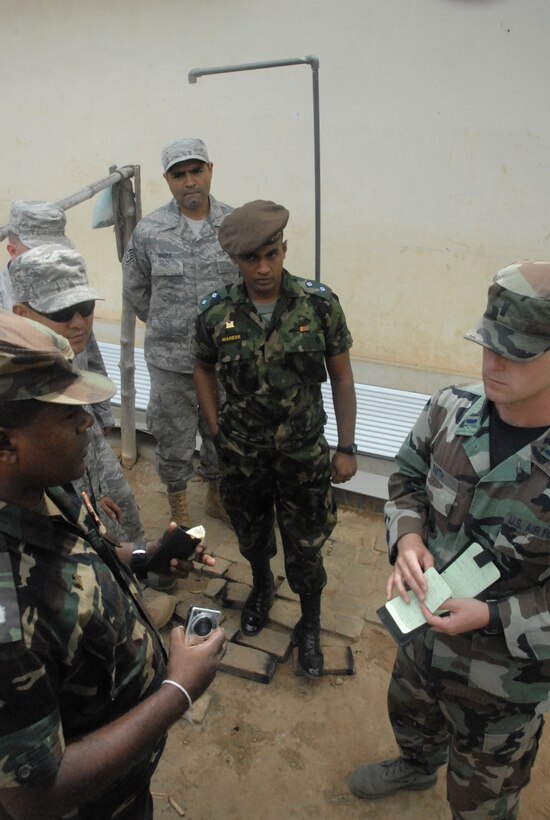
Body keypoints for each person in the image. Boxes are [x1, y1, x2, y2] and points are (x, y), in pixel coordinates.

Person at [0, 311, 226, 819]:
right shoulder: (6, 624)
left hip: (122, 787)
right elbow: (37, 797)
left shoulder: (40, 482)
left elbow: (74, 556)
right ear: (3, 443)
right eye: (67, 415)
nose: (87, 422)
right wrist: (178, 690)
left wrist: (144, 558)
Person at [348, 261, 550, 818]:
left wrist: (490, 618)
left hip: (504, 681)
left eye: (518, 350)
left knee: (482, 801)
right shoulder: (449, 410)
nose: (493, 363)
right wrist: (408, 540)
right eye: (489, 343)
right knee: (411, 715)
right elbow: (406, 479)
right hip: (421, 636)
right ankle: (416, 765)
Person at [193, 200, 357, 678]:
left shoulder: (319, 304)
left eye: (271, 254)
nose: (263, 269)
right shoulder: (216, 313)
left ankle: (309, 621)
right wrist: (216, 426)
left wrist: (346, 448)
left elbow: (342, 377)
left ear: (284, 249)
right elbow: (201, 368)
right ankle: (262, 585)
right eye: (251, 259)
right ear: (235, 261)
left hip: (304, 454)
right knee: (252, 532)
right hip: (242, 453)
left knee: (306, 544)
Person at [122, 138, 238, 527]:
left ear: (210, 169)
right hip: (170, 362)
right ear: (167, 180)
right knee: (173, 439)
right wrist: (167, 325)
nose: (189, 182)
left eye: (195, 171)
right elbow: (136, 288)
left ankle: (216, 495)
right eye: (179, 175)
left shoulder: (235, 226)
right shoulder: (150, 231)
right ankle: (179, 511)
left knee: (221, 431)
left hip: (223, 359)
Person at [9, 243, 144, 545]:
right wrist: (85, 507)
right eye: (62, 311)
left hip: (91, 454)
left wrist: (94, 496)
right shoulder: (14, 382)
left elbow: (94, 367)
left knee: (126, 517)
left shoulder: (68, 341)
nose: (79, 322)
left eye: (86, 308)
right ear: (22, 313)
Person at [1, 199, 113, 433]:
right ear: (12, 250)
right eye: (40, 250)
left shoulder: (69, 288)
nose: (54, 257)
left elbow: (91, 357)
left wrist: (104, 414)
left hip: (82, 421)